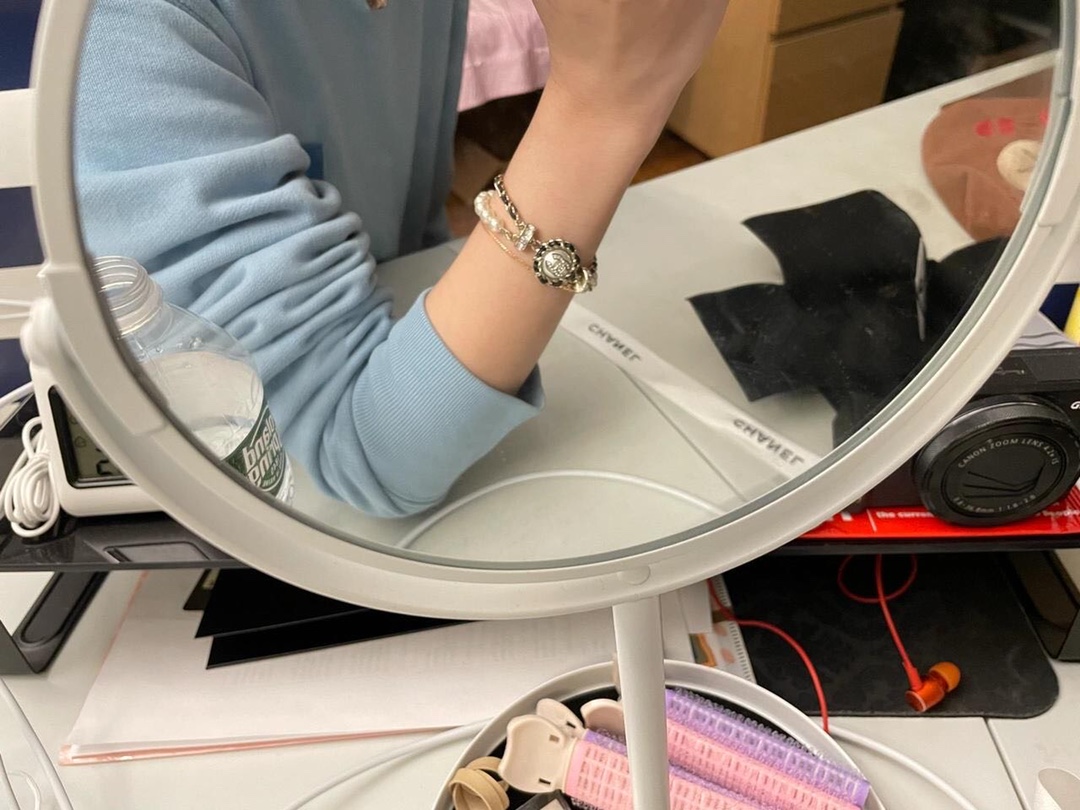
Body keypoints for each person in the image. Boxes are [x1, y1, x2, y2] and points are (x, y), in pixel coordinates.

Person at [74, 0, 729, 517]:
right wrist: (603, 103)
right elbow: (352, 447)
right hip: (237, 507)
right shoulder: (117, 28)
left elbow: (409, 243)